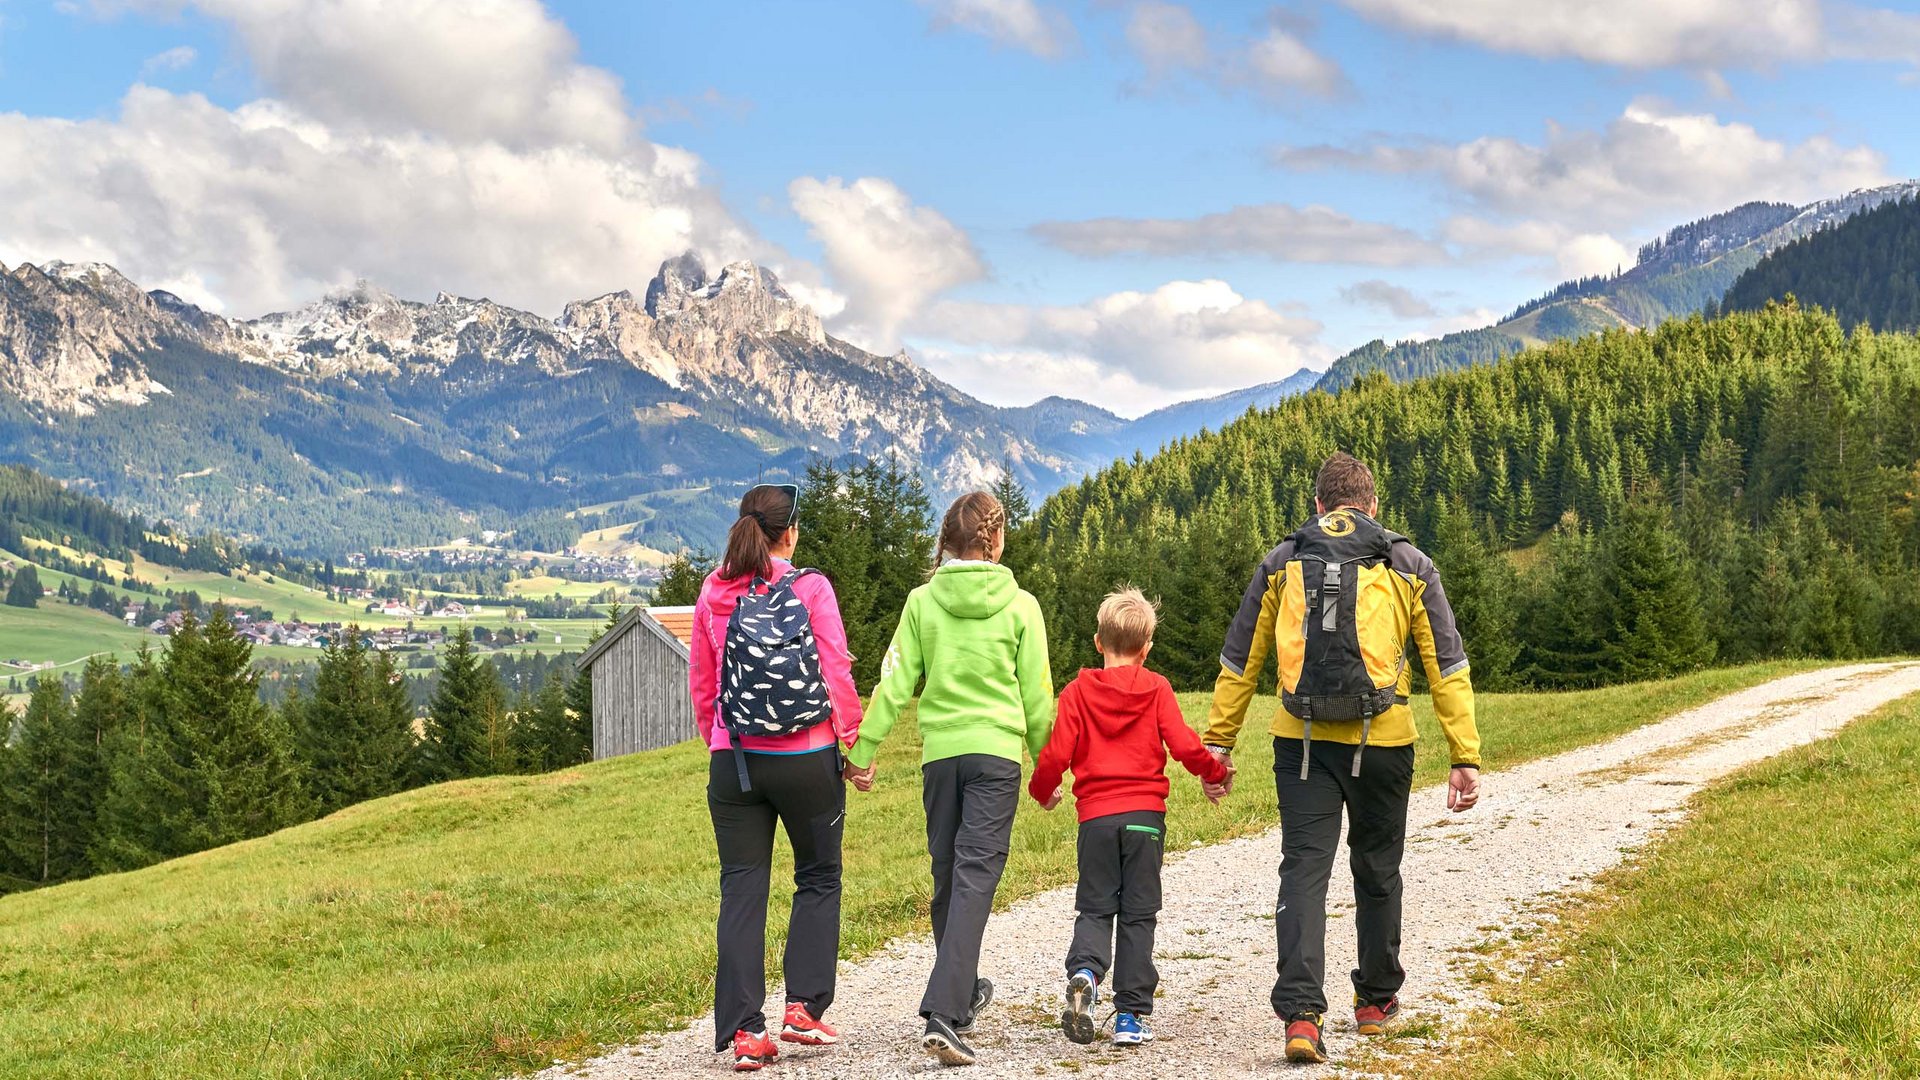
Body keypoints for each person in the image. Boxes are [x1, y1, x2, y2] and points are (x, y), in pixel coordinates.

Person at [1201, 452, 1483, 1065]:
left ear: (1319, 507)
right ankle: (1376, 1002)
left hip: (1300, 743)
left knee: (1304, 868)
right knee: (1377, 867)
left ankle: (1302, 1017)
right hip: (1384, 741)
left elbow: (1240, 659)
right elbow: (1446, 665)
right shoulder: (1409, 562)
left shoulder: (1282, 560)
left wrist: (1219, 744)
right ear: (1372, 507)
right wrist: (1465, 754)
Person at [843, 491, 1054, 1068]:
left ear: (945, 542)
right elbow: (1037, 697)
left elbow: (893, 682)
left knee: (948, 877)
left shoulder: (921, 602)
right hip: (996, 758)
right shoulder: (1022, 606)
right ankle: (944, 1011)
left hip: (941, 758)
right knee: (974, 878)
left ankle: (959, 993)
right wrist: (1049, 768)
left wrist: (861, 751)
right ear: (999, 540)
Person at [690, 483, 865, 1073]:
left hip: (734, 759)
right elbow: (835, 669)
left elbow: (703, 683)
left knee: (742, 886)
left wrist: (719, 741)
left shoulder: (714, 590)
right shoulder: (810, 586)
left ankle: (745, 1032)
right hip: (806, 759)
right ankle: (803, 1008)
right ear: (788, 533)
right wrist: (851, 744)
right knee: (818, 875)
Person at [1029, 587, 1229, 1049]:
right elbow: (1182, 745)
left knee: (1096, 906)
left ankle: (1085, 973)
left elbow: (1056, 752)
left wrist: (1042, 791)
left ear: (1098, 642)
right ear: (1146, 649)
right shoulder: (1156, 687)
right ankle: (1131, 1016)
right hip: (1144, 818)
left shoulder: (1078, 692)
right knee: (1138, 914)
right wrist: (1214, 772)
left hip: (1095, 819)